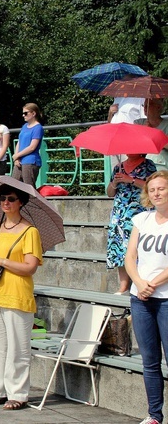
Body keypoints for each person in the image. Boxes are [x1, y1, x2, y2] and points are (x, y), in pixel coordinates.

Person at [0, 184, 43, 411]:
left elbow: (30, 267)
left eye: (11, 199)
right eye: (2, 198)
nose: (6, 202)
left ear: (21, 202)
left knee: (18, 348)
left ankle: (18, 393)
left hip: (17, 293)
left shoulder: (30, 231)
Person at [125, 171, 168, 424]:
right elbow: (130, 258)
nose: (157, 193)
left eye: (161, 188)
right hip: (140, 298)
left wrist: (151, 284)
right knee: (149, 361)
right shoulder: (142, 219)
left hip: (164, 298)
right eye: (152, 190)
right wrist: (140, 284)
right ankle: (154, 415)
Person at [107, 154, 155, 294]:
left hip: (139, 210)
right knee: (119, 249)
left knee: (138, 248)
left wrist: (131, 180)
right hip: (120, 214)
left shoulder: (148, 165)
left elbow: (151, 185)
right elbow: (110, 193)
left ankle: (139, 282)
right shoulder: (118, 167)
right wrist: (114, 183)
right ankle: (123, 286)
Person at [11, 103, 44, 187]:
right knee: (14, 185)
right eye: (23, 113)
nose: (23, 115)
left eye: (25, 113)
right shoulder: (25, 126)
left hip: (31, 161)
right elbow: (20, 141)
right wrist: (16, 157)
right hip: (20, 160)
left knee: (28, 187)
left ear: (33, 113)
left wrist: (17, 155)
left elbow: (32, 147)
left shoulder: (38, 128)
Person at [136, 99, 168, 171]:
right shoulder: (138, 123)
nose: (145, 107)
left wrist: (151, 133)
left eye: (150, 104)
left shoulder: (166, 125)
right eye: (144, 105)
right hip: (140, 164)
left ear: (159, 107)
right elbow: (134, 145)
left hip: (161, 164)